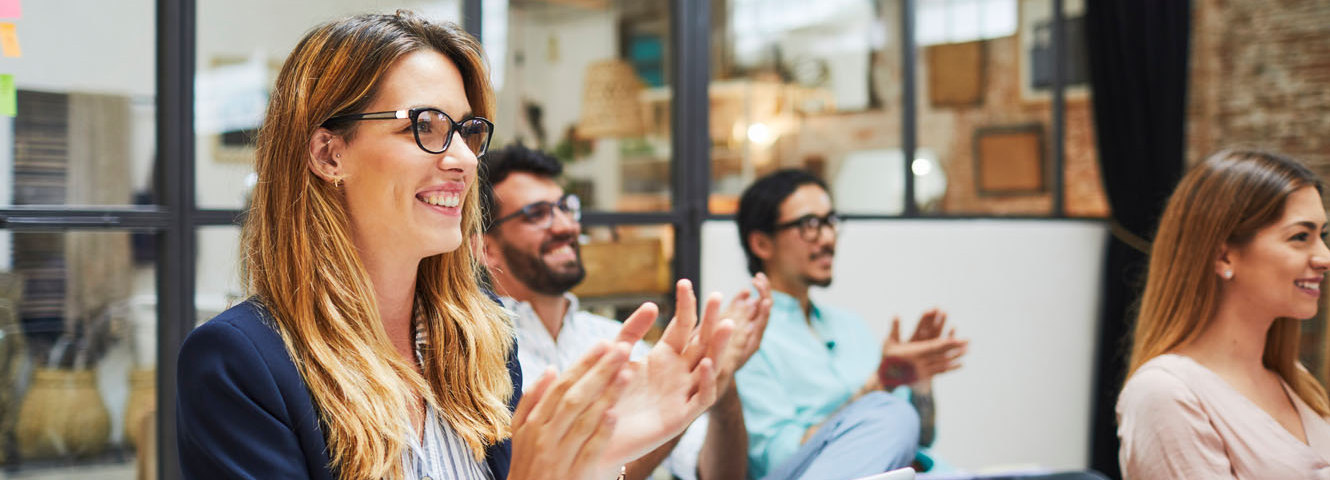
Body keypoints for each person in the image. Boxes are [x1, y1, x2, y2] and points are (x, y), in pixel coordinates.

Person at [175, 11, 732, 480]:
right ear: (328, 154)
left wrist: (606, 448)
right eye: (426, 126)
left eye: (467, 131)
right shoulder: (238, 363)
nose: (465, 159)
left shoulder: (481, 337)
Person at [477, 144, 773, 480]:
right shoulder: (477, 361)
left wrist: (719, 379)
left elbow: (719, 475)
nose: (565, 227)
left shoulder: (615, 338)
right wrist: (674, 407)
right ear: (487, 249)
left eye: (564, 208)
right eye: (536, 214)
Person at [732, 169, 969, 479]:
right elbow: (777, 460)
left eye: (830, 222)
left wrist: (915, 380)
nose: (828, 238)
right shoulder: (743, 336)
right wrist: (880, 386)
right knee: (889, 413)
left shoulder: (850, 327)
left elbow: (920, 435)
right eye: (810, 225)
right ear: (762, 244)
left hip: (912, 470)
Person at [1117, 149, 1330, 479]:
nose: (1324, 257)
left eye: (1323, 235)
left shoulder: (1294, 380)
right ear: (1223, 257)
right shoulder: (1166, 394)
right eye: (1300, 237)